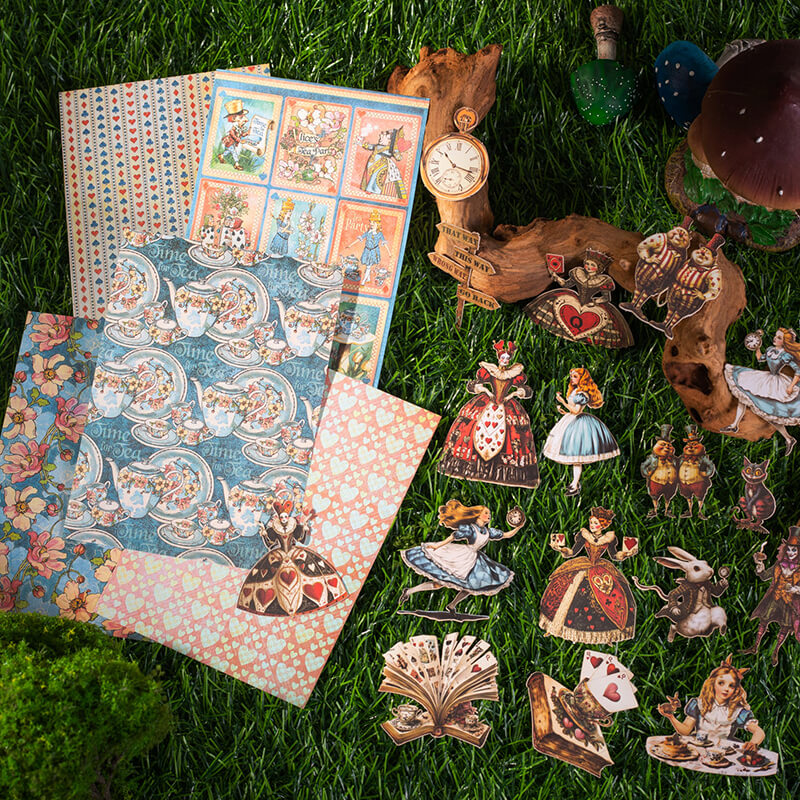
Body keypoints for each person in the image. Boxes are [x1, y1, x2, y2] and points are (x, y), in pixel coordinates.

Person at [438, 340, 539, 488]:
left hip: (506, 404)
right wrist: (486, 390)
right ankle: (470, 465)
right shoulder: (490, 370)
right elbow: (475, 384)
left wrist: (512, 395)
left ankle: (505, 471)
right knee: (472, 429)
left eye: (507, 358)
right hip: (487, 402)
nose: (505, 360)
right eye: (503, 357)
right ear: (498, 358)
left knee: (511, 433)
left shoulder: (514, 373)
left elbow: (524, 390)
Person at [399, 499, 523, 614]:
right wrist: (438, 546)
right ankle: (408, 591)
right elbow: (453, 536)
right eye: (486, 513)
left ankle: (452, 605)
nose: (489, 515)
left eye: (489, 513)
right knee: (439, 583)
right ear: (478, 515)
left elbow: (506, 535)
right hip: (461, 557)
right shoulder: (471, 529)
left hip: (475, 560)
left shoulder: (488, 531)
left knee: (471, 586)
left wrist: (518, 527)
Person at [539, 507, 636, 643]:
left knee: (608, 596)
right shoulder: (584, 535)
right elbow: (572, 552)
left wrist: (625, 554)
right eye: (591, 522)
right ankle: (555, 625)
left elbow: (614, 555)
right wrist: (561, 549)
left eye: (595, 523)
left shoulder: (608, 538)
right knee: (566, 589)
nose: (592, 525)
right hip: (583, 565)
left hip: (601, 569)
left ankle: (605, 635)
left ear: (603, 525)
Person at [237, 500, 346, 617]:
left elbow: (301, 540)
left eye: (285, 517)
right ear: (279, 518)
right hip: (278, 555)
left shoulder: (294, 526)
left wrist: (304, 528)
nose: (284, 519)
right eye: (281, 517)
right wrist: (264, 533)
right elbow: (270, 544)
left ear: (288, 517)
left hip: (295, 553)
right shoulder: (274, 528)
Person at [523, 248, 633, 348]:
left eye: (592, 265)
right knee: (559, 303)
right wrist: (556, 276)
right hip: (573, 300)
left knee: (600, 318)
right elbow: (566, 284)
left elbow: (606, 298)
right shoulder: (578, 273)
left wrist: (595, 302)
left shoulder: (603, 281)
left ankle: (582, 336)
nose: (589, 267)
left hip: (591, 305)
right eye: (587, 264)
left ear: (599, 268)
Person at [658, 656, 765, 751]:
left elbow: (759, 732)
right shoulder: (699, 704)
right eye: (721, 683)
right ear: (712, 683)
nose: (726, 689)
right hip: (698, 747)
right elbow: (686, 730)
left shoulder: (736, 711)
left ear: (736, 689)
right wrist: (671, 717)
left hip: (723, 750)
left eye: (731, 686)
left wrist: (753, 743)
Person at [722, 327, 800, 454]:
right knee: (743, 394)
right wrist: (757, 347)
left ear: (784, 342)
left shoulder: (785, 355)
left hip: (776, 383)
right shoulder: (770, 350)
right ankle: (735, 425)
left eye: (779, 338)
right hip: (765, 378)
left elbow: (797, 371)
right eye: (776, 336)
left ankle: (788, 438)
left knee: (770, 413)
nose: (775, 338)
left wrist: (791, 386)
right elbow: (760, 358)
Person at [542, 367, 619, 496]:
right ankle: (574, 483)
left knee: (577, 455)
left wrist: (563, 402)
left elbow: (577, 411)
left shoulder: (583, 394)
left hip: (578, 424)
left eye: (575, 376)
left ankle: (575, 484)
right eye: (571, 376)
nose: (572, 379)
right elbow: (573, 410)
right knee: (575, 458)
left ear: (582, 378)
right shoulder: (575, 391)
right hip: (570, 420)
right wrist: (564, 411)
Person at [742, 528, 800, 665]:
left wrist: (795, 589)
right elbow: (764, 576)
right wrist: (760, 568)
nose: (791, 553)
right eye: (789, 550)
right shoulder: (778, 565)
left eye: (794, 550)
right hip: (775, 597)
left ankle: (775, 652)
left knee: (785, 627)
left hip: (788, 601)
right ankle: (755, 646)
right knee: (764, 620)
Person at [359, 128, 407, 200]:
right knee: (369, 175)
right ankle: (367, 188)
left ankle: (374, 191)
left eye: (383, 138)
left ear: (390, 141)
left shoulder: (391, 149)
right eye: (380, 138)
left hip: (382, 164)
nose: (380, 139)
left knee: (376, 177)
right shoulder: (377, 146)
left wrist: (396, 151)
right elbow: (370, 146)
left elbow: (399, 157)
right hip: (372, 163)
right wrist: (362, 143)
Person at [346, 210, 390, 283]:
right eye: (370, 222)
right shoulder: (368, 232)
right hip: (366, 251)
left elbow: (384, 243)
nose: (371, 224)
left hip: (373, 251)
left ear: (377, 224)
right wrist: (350, 245)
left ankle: (363, 281)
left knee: (368, 267)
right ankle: (368, 279)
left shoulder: (379, 234)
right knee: (367, 266)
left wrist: (389, 253)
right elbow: (360, 238)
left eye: (373, 222)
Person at [218, 99, 250, 171]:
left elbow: (240, 134)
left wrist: (246, 134)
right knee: (234, 153)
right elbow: (232, 134)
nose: (246, 120)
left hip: (233, 143)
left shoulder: (238, 127)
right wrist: (237, 139)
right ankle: (236, 164)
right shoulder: (233, 126)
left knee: (229, 151)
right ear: (234, 118)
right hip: (230, 142)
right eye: (241, 117)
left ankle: (221, 156)